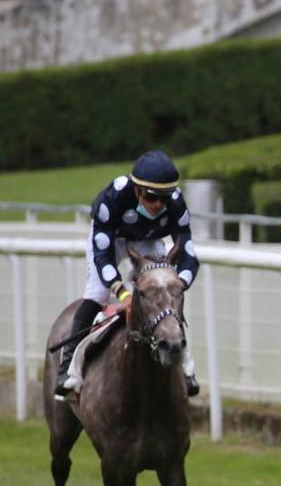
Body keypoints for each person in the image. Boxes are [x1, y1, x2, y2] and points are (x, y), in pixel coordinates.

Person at [54, 150, 200, 400]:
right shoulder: (112, 199)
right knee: (97, 295)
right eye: (152, 197)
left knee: (165, 293)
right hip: (112, 240)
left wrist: (179, 284)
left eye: (163, 199)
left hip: (147, 240)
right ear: (137, 190)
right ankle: (69, 371)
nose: (158, 205)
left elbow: (188, 255)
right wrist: (121, 293)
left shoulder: (176, 203)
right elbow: (102, 256)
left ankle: (186, 367)